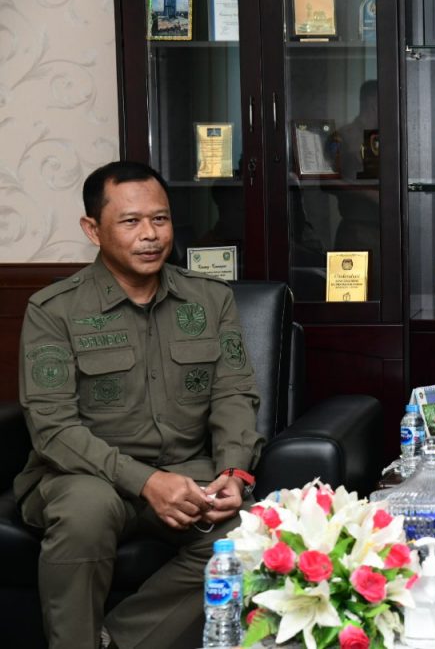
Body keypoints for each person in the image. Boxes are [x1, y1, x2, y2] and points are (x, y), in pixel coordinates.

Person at [16, 161, 264, 649]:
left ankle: (116, 640)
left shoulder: (210, 299)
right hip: (83, 475)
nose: (150, 235)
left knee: (250, 534)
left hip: (188, 470)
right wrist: (146, 482)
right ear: (93, 229)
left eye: (160, 219)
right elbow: (53, 428)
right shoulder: (54, 310)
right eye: (130, 221)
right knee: (86, 512)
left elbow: (233, 393)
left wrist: (234, 472)